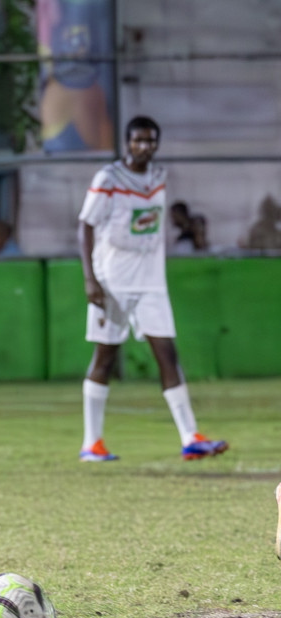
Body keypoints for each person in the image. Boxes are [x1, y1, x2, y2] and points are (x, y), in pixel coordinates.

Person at [77, 115, 226, 463]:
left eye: (150, 141)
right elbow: (85, 225)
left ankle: (191, 437)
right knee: (106, 357)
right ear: (127, 143)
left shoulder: (159, 176)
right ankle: (92, 443)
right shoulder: (109, 178)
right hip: (112, 280)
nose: (144, 146)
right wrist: (90, 279)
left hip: (151, 282)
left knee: (167, 354)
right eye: (138, 140)